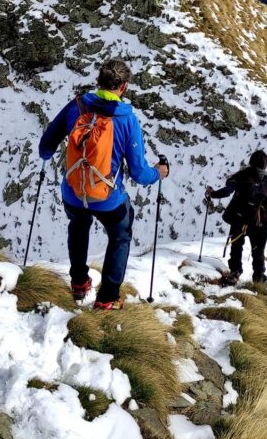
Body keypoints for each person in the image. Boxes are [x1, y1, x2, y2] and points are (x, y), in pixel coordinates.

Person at [39, 58, 169, 310]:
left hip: (74, 191)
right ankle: (107, 297)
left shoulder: (76, 106)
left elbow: (46, 146)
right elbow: (140, 174)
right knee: (120, 236)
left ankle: (78, 282)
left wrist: (46, 157)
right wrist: (159, 172)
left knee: (78, 225)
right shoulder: (127, 119)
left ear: (98, 81)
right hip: (107, 198)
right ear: (124, 87)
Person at [206, 150, 267, 286]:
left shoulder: (241, 176)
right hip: (260, 223)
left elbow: (227, 191)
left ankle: (235, 272)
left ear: (251, 162)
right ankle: (258, 277)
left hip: (239, 220)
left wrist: (212, 194)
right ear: (265, 165)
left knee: (237, 246)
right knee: (258, 251)